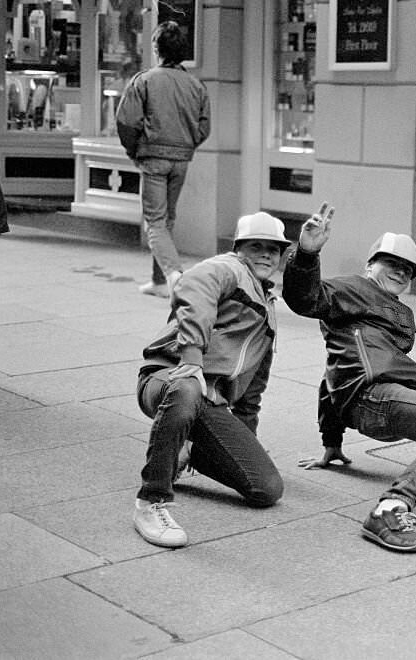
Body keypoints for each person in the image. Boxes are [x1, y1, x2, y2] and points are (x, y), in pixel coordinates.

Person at [282, 207, 416, 554]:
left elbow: (332, 370)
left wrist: (331, 445)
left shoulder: (399, 310)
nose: (401, 271)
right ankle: (391, 508)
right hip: (374, 398)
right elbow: (305, 298)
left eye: (408, 269)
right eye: (391, 263)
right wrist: (307, 253)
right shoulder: (353, 287)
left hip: (399, 395)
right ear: (370, 265)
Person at [133, 212, 289, 548]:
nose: (266, 254)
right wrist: (191, 359)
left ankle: (190, 450)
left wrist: (242, 444)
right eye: (256, 246)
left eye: (273, 250)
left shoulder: (267, 305)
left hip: (210, 402)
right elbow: (193, 285)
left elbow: (251, 391)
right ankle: (152, 501)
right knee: (189, 388)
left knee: (267, 489)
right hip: (168, 377)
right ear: (239, 249)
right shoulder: (227, 268)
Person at [117, 20, 210, 298]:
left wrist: (135, 151)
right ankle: (158, 281)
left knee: (155, 222)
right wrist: (187, 145)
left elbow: (126, 122)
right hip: (181, 159)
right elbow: (204, 128)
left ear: (157, 49)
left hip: (153, 157)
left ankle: (173, 276)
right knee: (166, 220)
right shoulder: (196, 86)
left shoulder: (144, 80)